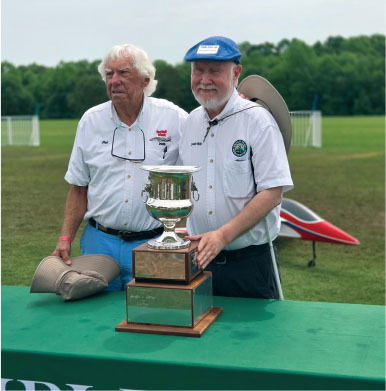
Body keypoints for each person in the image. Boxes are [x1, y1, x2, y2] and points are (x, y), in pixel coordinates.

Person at [52, 44, 187, 291]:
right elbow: (78, 187)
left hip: (155, 243)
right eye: (109, 74)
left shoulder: (174, 118)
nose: (114, 81)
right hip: (99, 244)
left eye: (123, 73)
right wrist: (65, 238)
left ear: (145, 80)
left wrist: (238, 102)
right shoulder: (90, 121)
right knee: (94, 318)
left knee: (151, 316)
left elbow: (207, 138)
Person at [179, 36, 293, 299]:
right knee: (201, 337)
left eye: (215, 71)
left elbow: (272, 193)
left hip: (251, 263)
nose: (204, 79)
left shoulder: (257, 120)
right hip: (200, 261)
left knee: (257, 339)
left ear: (236, 73)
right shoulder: (189, 123)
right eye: (198, 70)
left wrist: (222, 236)